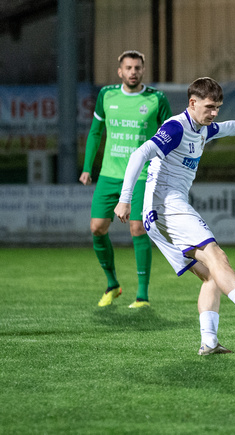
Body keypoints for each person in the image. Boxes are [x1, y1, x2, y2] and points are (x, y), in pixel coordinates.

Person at [113, 77, 235, 355]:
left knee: (212, 275)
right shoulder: (176, 127)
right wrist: (125, 198)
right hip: (167, 205)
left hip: (158, 217)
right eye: (209, 107)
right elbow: (139, 154)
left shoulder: (204, 128)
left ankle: (209, 342)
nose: (214, 113)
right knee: (217, 256)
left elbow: (230, 127)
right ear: (192, 103)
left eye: (217, 108)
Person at [80, 50, 172, 309]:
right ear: (120, 71)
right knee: (97, 228)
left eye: (137, 68)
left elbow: (170, 135)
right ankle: (112, 285)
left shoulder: (156, 98)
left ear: (143, 70)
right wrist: (88, 167)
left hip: (142, 173)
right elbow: (96, 132)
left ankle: (142, 295)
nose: (133, 72)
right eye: (128, 68)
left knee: (137, 227)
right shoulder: (106, 95)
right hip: (109, 174)